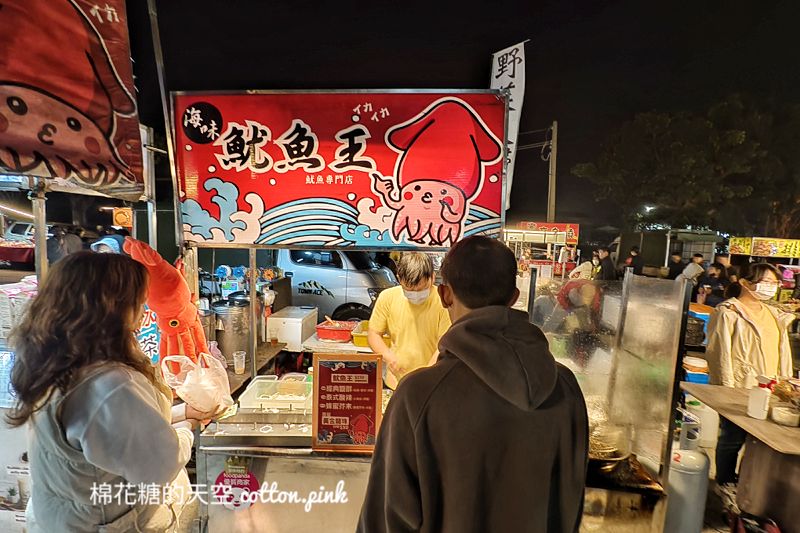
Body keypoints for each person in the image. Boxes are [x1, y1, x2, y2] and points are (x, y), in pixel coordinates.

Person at [358, 236, 588, 533]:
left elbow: (386, 519)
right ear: (514, 296)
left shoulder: (417, 396)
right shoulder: (565, 387)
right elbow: (571, 504)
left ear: (444, 295)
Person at [7, 252, 216, 532]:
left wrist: (183, 411)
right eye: (139, 302)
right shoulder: (109, 383)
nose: (143, 313)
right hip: (100, 522)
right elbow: (158, 465)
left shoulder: (54, 360)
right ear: (111, 308)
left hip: (60, 518)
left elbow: (111, 436)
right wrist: (188, 427)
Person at [706, 263, 794, 513]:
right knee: (732, 439)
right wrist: (726, 389)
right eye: (765, 281)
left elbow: (782, 351)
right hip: (740, 387)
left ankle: (748, 485)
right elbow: (719, 353)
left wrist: (786, 384)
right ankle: (725, 484)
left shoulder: (774, 314)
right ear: (745, 282)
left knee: (759, 442)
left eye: (774, 283)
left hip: (772, 388)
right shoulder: (728, 312)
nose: (770, 287)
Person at [368, 252, 451, 389]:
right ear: (399, 278)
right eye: (409, 290)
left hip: (431, 384)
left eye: (422, 289)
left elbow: (444, 345)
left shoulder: (443, 302)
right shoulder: (387, 298)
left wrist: (426, 374)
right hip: (395, 382)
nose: (415, 295)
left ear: (432, 277)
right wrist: (388, 356)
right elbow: (374, 334)